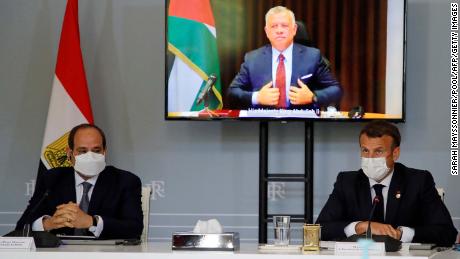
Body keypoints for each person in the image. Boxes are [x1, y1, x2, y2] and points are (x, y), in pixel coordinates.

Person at [316, 121, 458, 246]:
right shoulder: (347, 182)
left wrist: (401, 234)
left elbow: (447, 232)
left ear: (395, 153)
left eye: (378, 151)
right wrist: (359, 227)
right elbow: (320, 229)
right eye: (365, 150)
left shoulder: (418, 181)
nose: (370, 158)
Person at [16, 124, 143, 239]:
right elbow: (22, 226)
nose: (90, 156)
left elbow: (134, 228)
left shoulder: (125, 181)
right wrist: (49, 223)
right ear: (69, 153)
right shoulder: (52, 179)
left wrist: (91, 222)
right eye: (82, 151)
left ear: (105, 151)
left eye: (96, 150)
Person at [227, 6, 342, 110]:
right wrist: (257, 97)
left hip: (302, 124)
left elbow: (336, 89)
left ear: (294, 29)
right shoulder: (252, 59)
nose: (279, 30)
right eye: (274, 26)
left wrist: (313, 97)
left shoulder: (312, 56)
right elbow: (232, 92)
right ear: (267, 32)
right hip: (263, 123)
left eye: (284, 26)